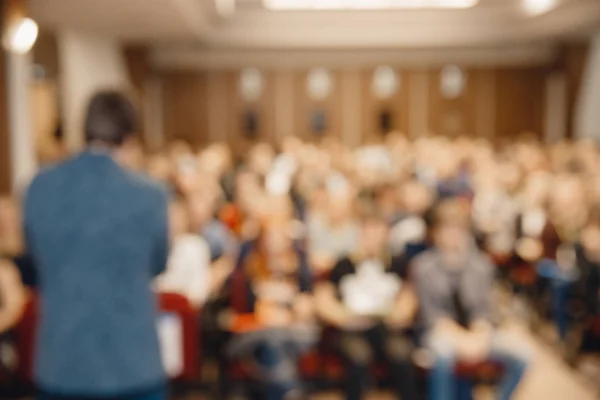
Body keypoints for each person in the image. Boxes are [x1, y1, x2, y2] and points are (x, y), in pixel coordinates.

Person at [24, 91, 169, 400]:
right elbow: (158, 264)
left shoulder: (40, 188)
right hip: (133, 362)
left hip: (64, 361)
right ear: (129, 138)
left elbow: (35, 259)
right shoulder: (150, 195)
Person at [413, 200, 531, 400]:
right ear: (436, 233)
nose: (452, 235)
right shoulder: (422, 266)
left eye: (457, 229)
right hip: (440, 332)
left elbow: (484, 309)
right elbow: (431, 315)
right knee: (443, 355)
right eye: (446, 229)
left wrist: (480, 335)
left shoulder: (481, 265)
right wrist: (462, 340)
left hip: (477, 332)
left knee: (523, 355)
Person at [315, 211, 418, 400]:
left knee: (402, 355)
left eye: (377, 230)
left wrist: (397, 313)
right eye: (368, 230)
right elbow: (324, 298)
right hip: (352, 329)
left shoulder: (397, 264)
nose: (372, 235)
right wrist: (342, 315)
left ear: (386, 234)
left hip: (387, 328)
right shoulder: (343, 264)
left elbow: (408, 298)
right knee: (358, 358)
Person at [153, 197, 211, 309]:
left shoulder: (195, 246)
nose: (172, 220)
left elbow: (198, 293)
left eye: (177, 215)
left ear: (186, 218)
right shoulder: (153, 246)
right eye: (168, 215)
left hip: (184, 312)